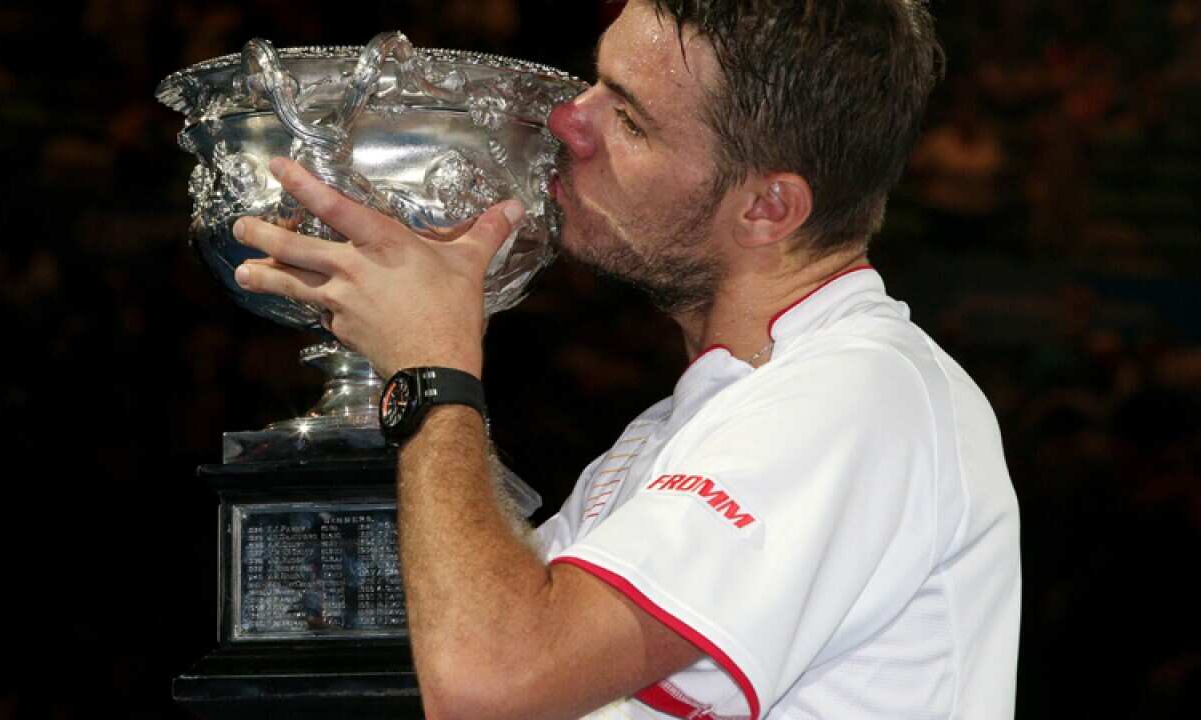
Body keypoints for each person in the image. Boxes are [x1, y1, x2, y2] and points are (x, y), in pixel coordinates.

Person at [228, 1, 1022, 718]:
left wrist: (431, 369)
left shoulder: (861, 395)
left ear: (766, 207)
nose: (567, 120)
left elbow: (490, 683)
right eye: (596, 81)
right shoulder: (672, 432)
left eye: (631, 119)